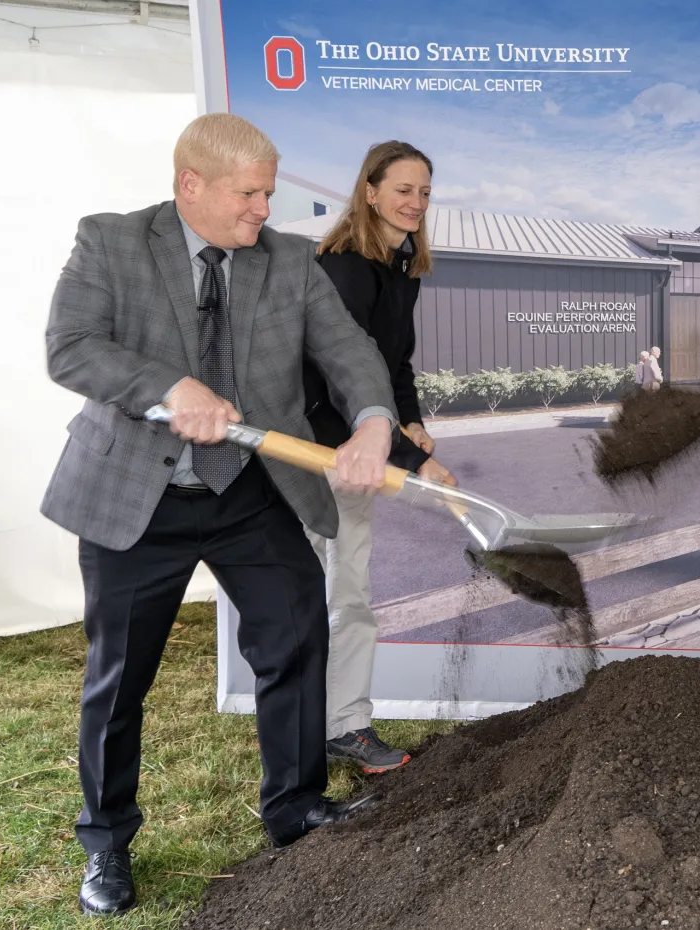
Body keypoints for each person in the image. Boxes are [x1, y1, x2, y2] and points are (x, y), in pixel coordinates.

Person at [41, 113, 397, 916]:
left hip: (243, 490)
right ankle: (106, 840)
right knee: (119, 676)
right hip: (136, 494)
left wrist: (374, 418)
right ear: (189, 184)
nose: (263, 209)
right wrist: (169, 390)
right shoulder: (111, 242)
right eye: (249, 193)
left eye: (269, 192)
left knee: (298, 630)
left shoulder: (292, 262)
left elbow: (347, 351)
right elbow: (70, 347)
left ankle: (297, 808)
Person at [301, 140, 456, 776]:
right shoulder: (344, 268)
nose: (415, 202)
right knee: (331, 594)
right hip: (320, 449)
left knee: (345, 592)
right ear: (369, 192)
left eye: (424, 192)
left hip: (357, 451)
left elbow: (391, 365)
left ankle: (334, 724)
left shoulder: (398, 270)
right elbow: (339, 377)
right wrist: (411, 459)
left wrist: (411, 418)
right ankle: (333, 726)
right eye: (402, 189)